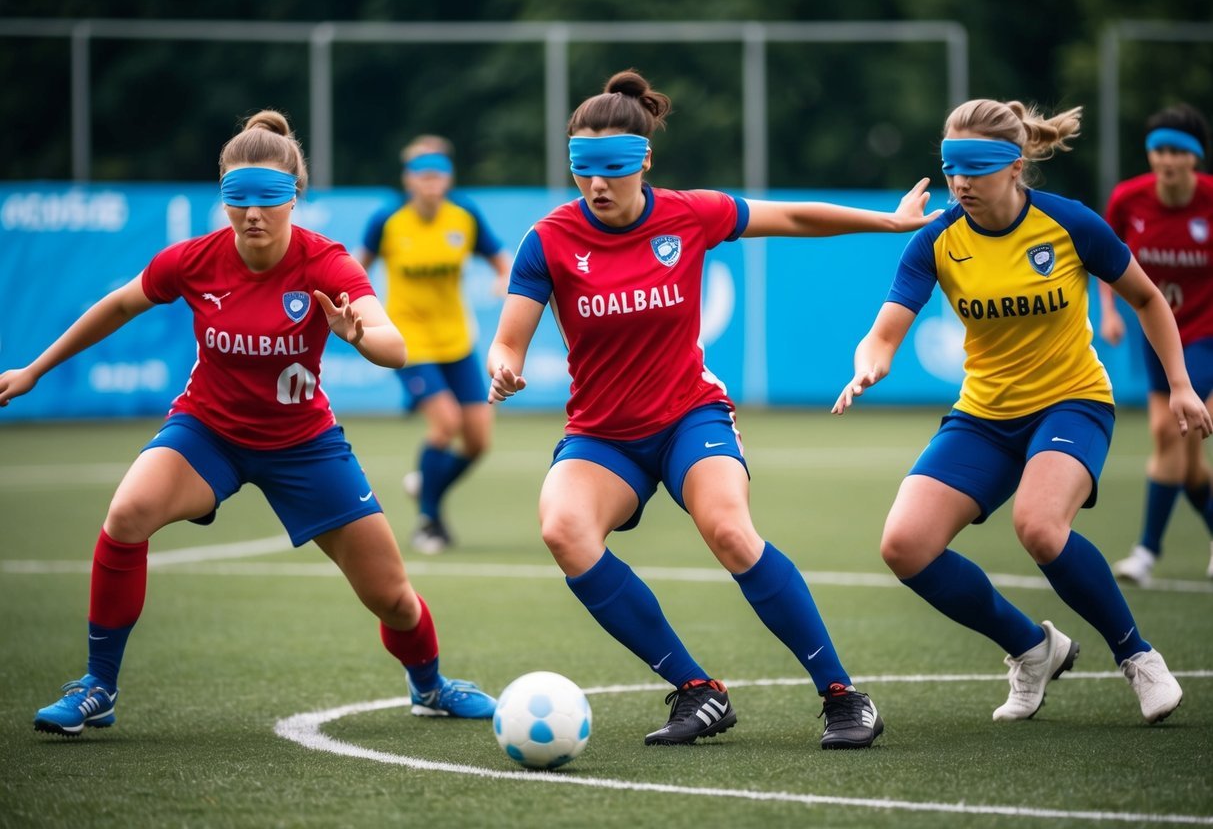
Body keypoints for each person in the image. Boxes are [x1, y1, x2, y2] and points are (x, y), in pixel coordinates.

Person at [0, 110, 496, 737]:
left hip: (304, 445)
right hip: (208, 432)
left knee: (392, 597)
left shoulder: (326, 263)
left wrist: (358, 335)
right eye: (238, 197)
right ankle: (97, 686)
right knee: (127, 515)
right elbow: (119, 304)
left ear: (296, 197)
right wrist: (36, 369)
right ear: (223, 196)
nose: (253, 212)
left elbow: (394, 345)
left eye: (269, 197)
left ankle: (431, 686)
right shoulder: (193, 260)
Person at [487, 69, 941, 750]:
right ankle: (697, 691)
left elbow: (788, 217)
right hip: (603, 436)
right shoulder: (548, 240)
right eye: (583, 167)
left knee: (729, 530)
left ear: (643, 159)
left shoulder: (687, 215)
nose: (596, 183)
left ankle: (843, 696)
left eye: (611, 166)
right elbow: (507, 340)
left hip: (688, 417)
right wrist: (504, 368)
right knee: (563, 530)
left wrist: (885, 221)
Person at [832, 98, 1210, 725]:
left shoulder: (1069, 224)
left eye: (975, 168)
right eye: (952, 167)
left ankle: (1137, 657)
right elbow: (883, 331)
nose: (960, 182)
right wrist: (869, 361)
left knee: (1039, 526)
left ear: (1014, 167)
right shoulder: (938, 240)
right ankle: (1032, 648)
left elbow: (1147, 299)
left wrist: (1180, 384)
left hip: (1073, 402)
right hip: (985, 415)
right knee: (904, 546)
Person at [358, 135, 511, 555]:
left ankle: (428, 488)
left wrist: (503, 279)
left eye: (438, 175)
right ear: (409, 179)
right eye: (422, 175)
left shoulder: (464, 216)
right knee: (445, 423)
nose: (430, 183)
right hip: (409, 341)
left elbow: (502, 260)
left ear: (448, 179)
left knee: (478, 441)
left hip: (457, 339)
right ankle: (429, 521)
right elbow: (354, 270)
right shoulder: (388, 220)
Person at [1097, 104, 1213, 585]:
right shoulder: (1129, 200)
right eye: (1158, 150)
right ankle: (1153, 549)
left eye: (1176, 151)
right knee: (1181, 451)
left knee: (1174, 432)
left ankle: (1145, 552)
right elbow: (1105, 255)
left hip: (1207, 332)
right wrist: (1107, 312)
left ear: (1194, 158)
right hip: (1156, 335)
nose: (1165, 159)